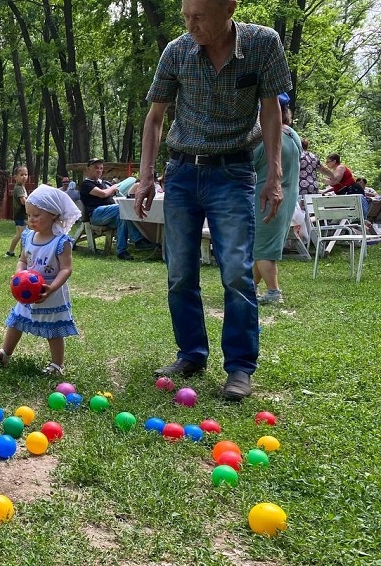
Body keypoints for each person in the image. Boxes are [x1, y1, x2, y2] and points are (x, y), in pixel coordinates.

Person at [134, 0, 292, 401]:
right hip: (183, 172)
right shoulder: (177, 50)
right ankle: (191, 353)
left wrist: (274, 175)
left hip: (234, 172)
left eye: (199, 16)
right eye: (186, 15)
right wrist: (146, 175)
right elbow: (155, 118)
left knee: (237, 272)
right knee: (180, 271)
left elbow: (271, 111)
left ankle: (239, 368)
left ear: (229, 8)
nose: (191, 25)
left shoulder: (263, 44)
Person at [0, 186, 81, 376]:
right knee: (16, 322)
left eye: (36, 215)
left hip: (49, 292)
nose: (31, 219)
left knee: (53, 329)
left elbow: (66, 269)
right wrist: (18, 275)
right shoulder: (28, 236)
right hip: (27, 290)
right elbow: (22, 260)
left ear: (53, 214)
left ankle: (57, 365)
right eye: (29, 215)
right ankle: (5, 353)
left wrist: (51, 288)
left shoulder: (61, 242)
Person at [253, 94, 302, 305]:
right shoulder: (293, 136)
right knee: (262, 246)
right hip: (288, 198)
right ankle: (250, 287)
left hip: (264, 198)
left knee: (262, 248)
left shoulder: (266, 138)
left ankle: (273, 292)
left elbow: (248, 165)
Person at [79, 158, 155, 260]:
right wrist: (113, 188)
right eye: (96, 168)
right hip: (96, 214)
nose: (99, 170)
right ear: (88, 169)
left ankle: (122, 252)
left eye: (101, 168)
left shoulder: (102, 183)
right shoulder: (86, 184)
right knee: (123, 209)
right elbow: (103, 194)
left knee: (123, 216)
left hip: (110, 214)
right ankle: (138, 240)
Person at [5, 165, 29, 257]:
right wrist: (32, 204)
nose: (24, 177)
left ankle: (10, 252)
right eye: (22, 175)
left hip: (19, 215)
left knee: (19, 235)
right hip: (21, 215)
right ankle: (22, 255)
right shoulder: (19, 188)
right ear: (16, 177)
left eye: (26, 175)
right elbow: (23, 201)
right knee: (23, 235)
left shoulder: (21, 186)